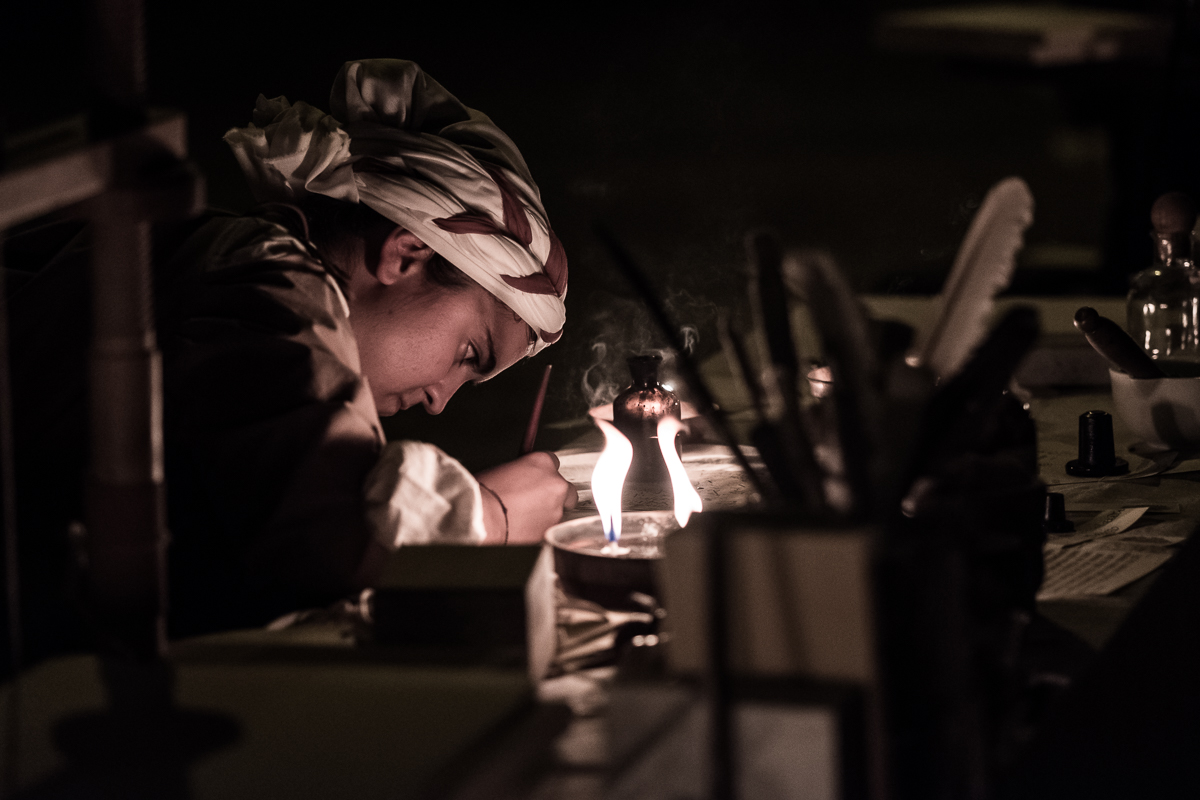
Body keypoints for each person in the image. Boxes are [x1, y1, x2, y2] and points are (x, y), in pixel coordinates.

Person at [5, 58, 576, 656]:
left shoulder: (234, 256)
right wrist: (491, 516)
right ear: (406, 254)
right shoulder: (270, 278)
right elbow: (323, 538)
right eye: (467, 353)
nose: (439, 401)